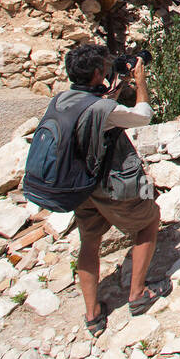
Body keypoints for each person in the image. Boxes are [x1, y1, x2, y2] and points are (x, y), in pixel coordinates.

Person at [56, 43, 163, 336]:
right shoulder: (103, 108)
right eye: (103, 67)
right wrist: (140, 84)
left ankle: (92, 314)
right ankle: (138, 293)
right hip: (111, 182)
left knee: (89, 241)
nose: (107, 70)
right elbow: (143, 115)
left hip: (81, 185)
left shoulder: (64, 100)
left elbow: (99, 109)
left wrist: (117, 86)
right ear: (95, 73)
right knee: (149, 220)